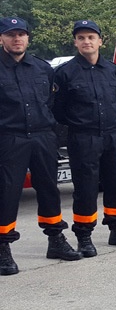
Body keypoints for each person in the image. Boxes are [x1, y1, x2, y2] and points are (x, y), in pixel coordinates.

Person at [0, 16, 82, 274]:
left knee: (48, 188)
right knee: (7, 193)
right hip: (10, 138)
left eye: (21, 34)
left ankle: (55, 239)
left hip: (42, 136)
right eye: (11, 34)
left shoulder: (42, 68)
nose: (17, 39)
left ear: (27, 37)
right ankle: (3, 248)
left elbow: (51, 102)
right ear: (1, 38)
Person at [52, 20, 116, 257]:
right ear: (75, 42)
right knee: (86, 189)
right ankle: (84, 236)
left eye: (91, 37)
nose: (86, 42)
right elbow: (58, 110)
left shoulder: (112, 70)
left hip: (112, 136)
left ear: (100, 41)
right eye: (81, 38)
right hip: (83, 137)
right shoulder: (65, 73)